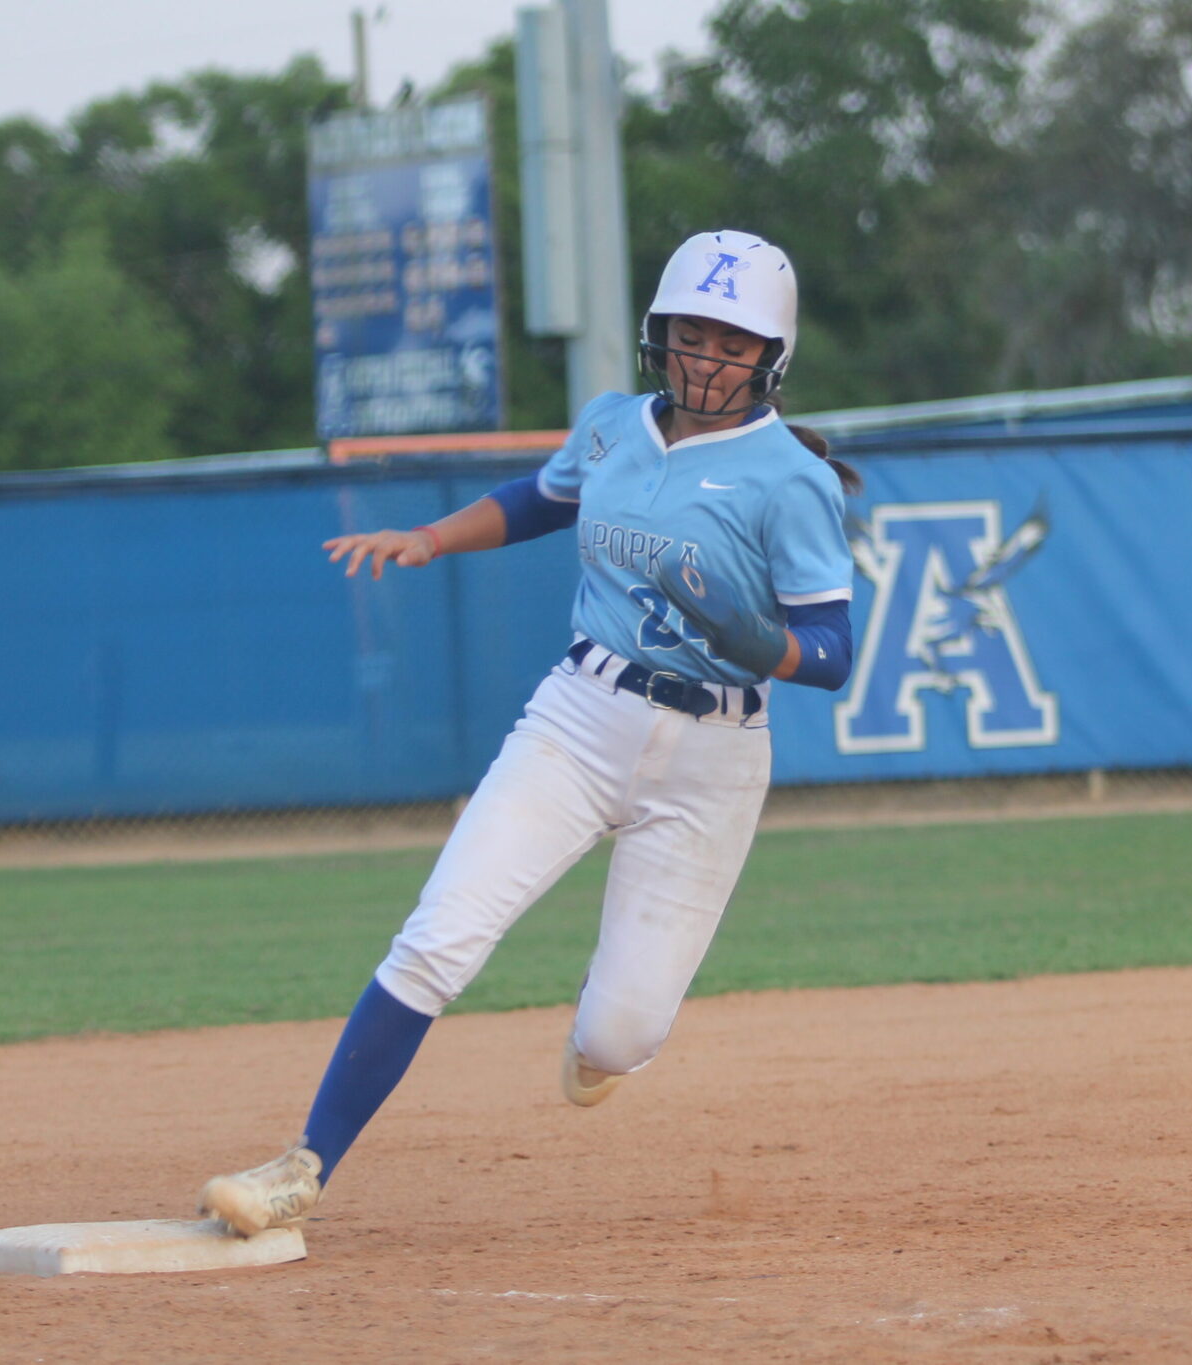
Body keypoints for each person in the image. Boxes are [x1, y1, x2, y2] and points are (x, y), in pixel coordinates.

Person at [199, 230, 861, 1236]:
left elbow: (830, 651)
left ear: (771, 356)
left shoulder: (786, 478)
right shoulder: (610, 427)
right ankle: (305, 1165)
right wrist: (428, 537)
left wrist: (758, 638)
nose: (705, 359)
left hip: (712, 758)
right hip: (580, 715)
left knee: (622, 1030)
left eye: (731, 343)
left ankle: (603, 1047)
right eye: (690, 334)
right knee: (437, 939)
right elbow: (538, 501)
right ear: (658, 335)